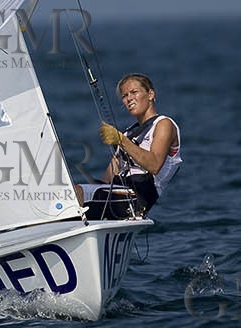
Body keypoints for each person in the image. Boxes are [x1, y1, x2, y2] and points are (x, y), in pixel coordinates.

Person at [77, 73, 182, 219]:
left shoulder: (163, 124)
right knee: (70, 192)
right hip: (116, 194)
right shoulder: (128, 133)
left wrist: (121, 140)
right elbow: (107, 180)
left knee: (78, 194)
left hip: (138, 199)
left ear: (150, 94)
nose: (129, 98)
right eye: (125, 96)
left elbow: (154, 165)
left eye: (134, 92)